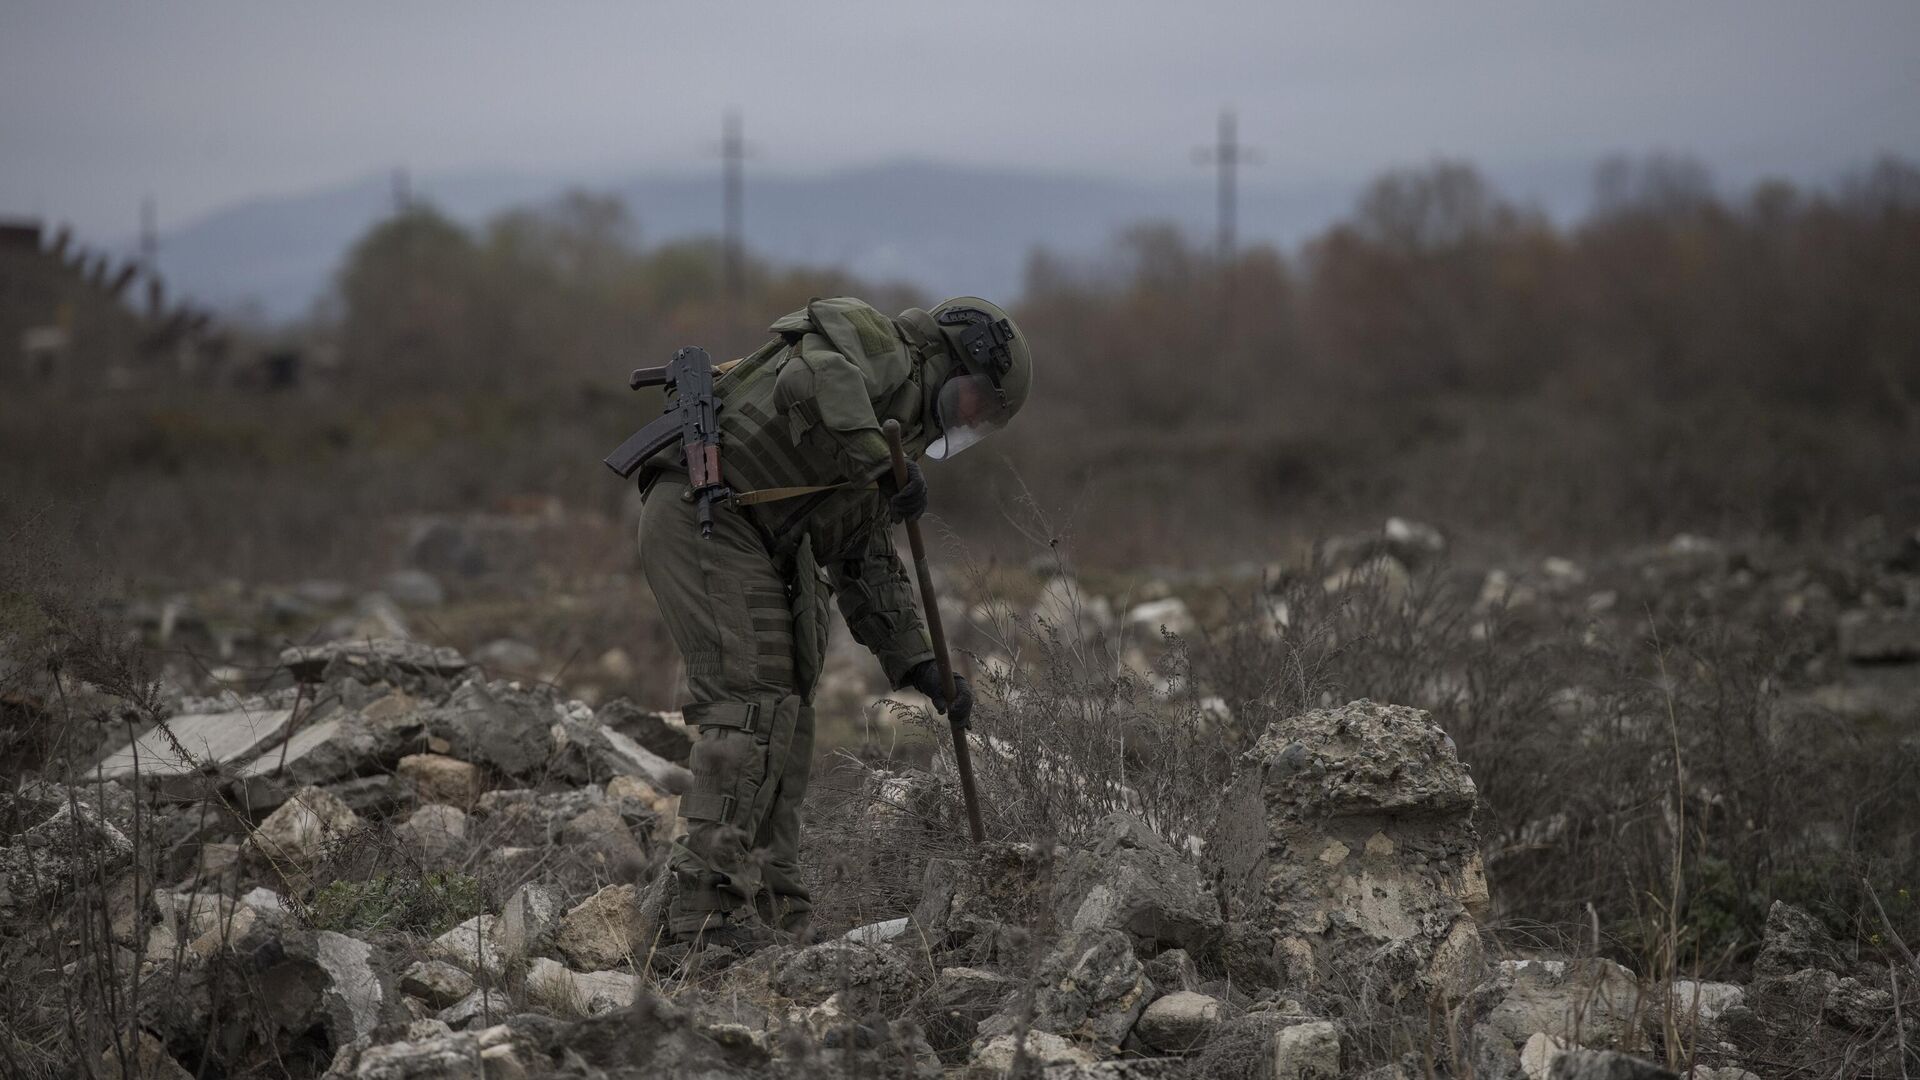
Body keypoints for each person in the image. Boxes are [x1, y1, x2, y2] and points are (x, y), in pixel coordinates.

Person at [634, 295, 1033, 953]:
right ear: (955, 362)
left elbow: (866, 559)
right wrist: (879, 459)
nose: (966, 421)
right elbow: (814, 376)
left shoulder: (892, 435)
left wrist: (923, 665)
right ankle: (701, 921)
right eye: (973, 406)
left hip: (764, 543)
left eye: (980, 420)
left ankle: (773, 908)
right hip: (704, 516)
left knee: (789, 717)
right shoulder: (873, 340)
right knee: (751, 706)